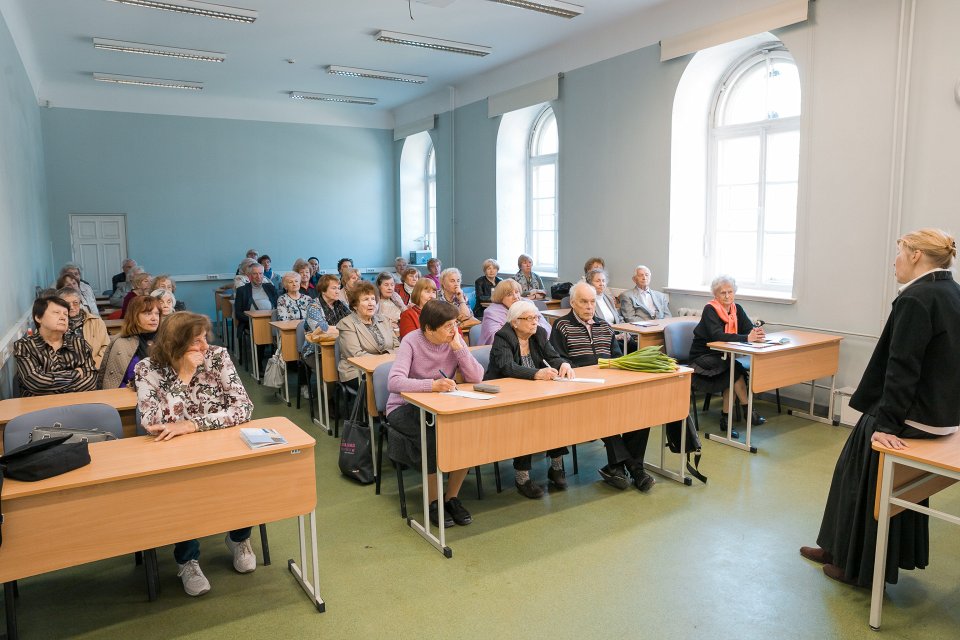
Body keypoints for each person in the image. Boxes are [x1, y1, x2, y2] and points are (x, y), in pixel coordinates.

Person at [800, 228, 960, 587]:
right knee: (853, 466)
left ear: (916, 254)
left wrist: (885, 425)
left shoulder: (916, 298)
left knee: (860, 466)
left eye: (900, 251)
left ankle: (853, 565)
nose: (895, 260)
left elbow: (902, 367)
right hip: (940, 416)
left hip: (910, 415)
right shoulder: (952, 292)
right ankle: (835, 547)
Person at [134, 312, 255, 597]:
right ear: (174, 344)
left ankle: (239, 538)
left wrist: (193, 424)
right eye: (195, 341)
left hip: (218, 441)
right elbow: (152, 421)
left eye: (204, 339)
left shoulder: (218, 357)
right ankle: (187, 559)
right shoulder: (147, 369)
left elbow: (244, 407)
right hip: (173, 452)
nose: (203, 347)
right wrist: (184, 376)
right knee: (183, 492)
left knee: (245, 476)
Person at [549, 283, 656, 492]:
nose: (589, 306)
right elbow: (558, 359)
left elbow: (616, 358)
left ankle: (616, 467)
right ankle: (636, 470)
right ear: (572, 303)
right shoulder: (562, 326)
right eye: (583, 302)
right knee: (605, 413)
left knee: (643, 414)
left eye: (592, 302)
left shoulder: (604, 326)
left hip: (609, 387)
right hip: (580, 392)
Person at [386, 300, 485, 527]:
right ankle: (433, 502)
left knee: (466, 433)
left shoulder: (454, 341)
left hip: (441, 405)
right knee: (433, 438)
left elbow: (477, 377)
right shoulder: (411, 341)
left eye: (455, 325)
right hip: (403, 406)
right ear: (429, 329)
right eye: (448, 326)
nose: (454, 331)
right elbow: (394, 382)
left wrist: (460, 350)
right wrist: (431, 385)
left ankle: (451, 497)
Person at [486, 300, 574, 498]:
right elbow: (507, 367)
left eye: (536, 317)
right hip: (505, 396)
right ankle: (522, 477)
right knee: (526, 420)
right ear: (515, 322)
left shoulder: (539, 333)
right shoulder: (503, 336)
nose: (535, 322)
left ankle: (557, 467)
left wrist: (564, 364)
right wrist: (536, 374)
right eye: (530, 318)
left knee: (556, 413)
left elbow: (553, 356)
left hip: (535, 393)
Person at [688, 275, 766, 438]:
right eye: (723, 293)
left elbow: (747, 328)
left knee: (733, 371)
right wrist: (746, 338)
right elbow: (717, 335)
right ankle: (747, 412)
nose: (727, 296)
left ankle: (727, 419)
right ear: (715, 295)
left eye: (730, 292)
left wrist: (755, 333)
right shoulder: (710, 309)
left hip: (723, 356)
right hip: (703, 356)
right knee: (733, 371)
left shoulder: (736, 308)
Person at [14, 296, 97, 396]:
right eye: (56, 313)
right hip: (40, 408)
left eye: (66, 314)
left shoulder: (80, 343)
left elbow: (91, 380)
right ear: (38, 317)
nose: (63, 317)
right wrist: (77, 373)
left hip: (77, 404)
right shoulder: (24, 346)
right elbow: (36, 383)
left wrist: (54, 391)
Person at [336, 281, 398, 385]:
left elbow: (397, 346)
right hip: (357, 372)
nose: (371, 303)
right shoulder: (346, 323)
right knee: (386, 383)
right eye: (366, 299)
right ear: (355, 305)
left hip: (386, 368)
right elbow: (356, 354)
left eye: (373, 299)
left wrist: (386, 362)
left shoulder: (384, 320)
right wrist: (385, 360)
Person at [98, 295, 162, 388]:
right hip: (129, 395)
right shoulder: (121, 343)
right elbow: (113, 383)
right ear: (135, 316)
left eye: (157, 314)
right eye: (148, 314)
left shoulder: (167, 340)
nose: (154, 318)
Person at [234, 262, 278, 371]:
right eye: (255, 274)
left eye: (261, 273)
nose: (258, 276)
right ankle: (259, 366)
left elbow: (279, 305)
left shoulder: (270, 288)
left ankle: (281, 364)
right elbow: (238, 313)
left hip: (272, 320)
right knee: (260, 331)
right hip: (252, 323)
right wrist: (252, 320)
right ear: (249, 276)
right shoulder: (242, 290)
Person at [479, 279, 550, 345]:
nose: (515, 297)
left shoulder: (528, 304)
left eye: (517, 292)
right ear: (500, 297)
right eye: (509, 294)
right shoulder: (492, 312)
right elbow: (495, 338)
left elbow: (547, 328)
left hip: (533, 346)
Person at [58, 286, 110, 369]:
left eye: (75, 303)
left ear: (80, 303)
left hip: (94, 368)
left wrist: (90, 367)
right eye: (66, 304)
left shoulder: (96, 321)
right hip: (66, 372)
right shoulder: (55, 324)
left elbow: (106, 347)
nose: (71, 307)